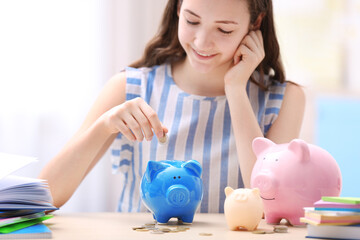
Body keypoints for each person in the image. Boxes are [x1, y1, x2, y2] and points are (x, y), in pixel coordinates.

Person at [39, 0, 305, 213]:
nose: (202, 42)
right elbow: (44, 197)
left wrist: (235, 90)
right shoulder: (130, 87)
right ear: (178, 9)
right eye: (192, 20)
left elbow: (269, 206)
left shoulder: (284, 99)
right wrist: (104, 126)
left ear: (256, 23)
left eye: (224, 29)